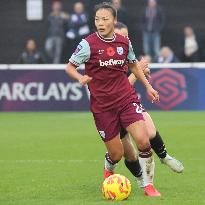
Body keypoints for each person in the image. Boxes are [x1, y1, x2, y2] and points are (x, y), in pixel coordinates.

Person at [66, 2, 161, 196]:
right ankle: (109, 167)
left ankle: (148, 185)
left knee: (143, 141)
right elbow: (69, 67)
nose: (100, 23)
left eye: (105, 19)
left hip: (126, 99)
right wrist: (80, 77)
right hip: (102, 107)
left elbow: (134, 66)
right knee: (117, 153)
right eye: (97, 19)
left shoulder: (124, 42)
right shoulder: (87, 44)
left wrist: (149, 86)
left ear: (114, 21)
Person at [114, 22, 184, 188]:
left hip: (129, 103)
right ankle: (138, 177)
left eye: (126, 35)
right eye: (120, 35)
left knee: (150, 132)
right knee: (129, 155)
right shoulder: (106, 59)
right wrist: (136, 73)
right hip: (111, 110)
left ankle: (164, 156)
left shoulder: (128, 55)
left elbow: (135, 76)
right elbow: (118, 90)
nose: (124, 39)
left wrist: (142, 73)